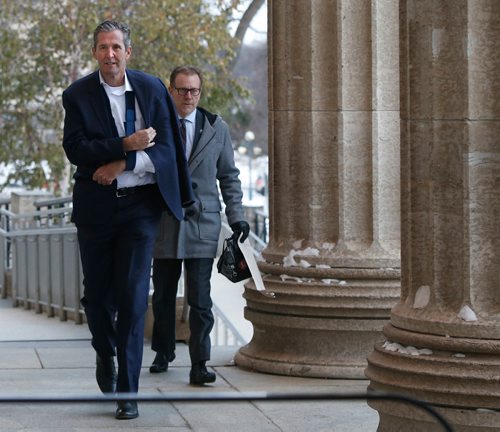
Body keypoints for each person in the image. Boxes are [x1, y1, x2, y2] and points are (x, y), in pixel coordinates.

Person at [62, 21, 193, 420]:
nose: (110, 54)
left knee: (135, 298)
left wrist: (126, 160)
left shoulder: (152, 89)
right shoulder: (78, 94)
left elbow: (169, 150)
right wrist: (123, 143)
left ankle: (128, 391)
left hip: (140, 209)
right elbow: (76, 149)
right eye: (102, 47)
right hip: (97, 209)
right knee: (98, 299)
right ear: (95, 53)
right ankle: (105, 352)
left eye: (116, 46)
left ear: (128, 51)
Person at [149, 65, 249, 385]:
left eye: (194, 90)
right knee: (163, 295)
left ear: (200, 92)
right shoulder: (155, 126)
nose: (188, 96)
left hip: (202, 224)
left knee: (201, 299)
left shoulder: (215, 127)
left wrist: (237, 217)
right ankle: (163, 351)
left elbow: (228, 177)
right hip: (164, 221)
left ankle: (199, 363)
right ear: (170, 90)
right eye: (182, 90)